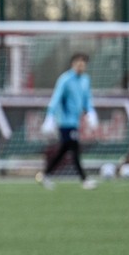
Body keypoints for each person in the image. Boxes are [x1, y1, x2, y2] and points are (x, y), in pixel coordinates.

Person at [37, 53, 98, 190]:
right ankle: (84, 179)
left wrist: (91, 112)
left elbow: (87, 99)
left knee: (64, 149)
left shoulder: (85, 80)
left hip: (75, 121)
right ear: (73, 64)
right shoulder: (65, 79)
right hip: (64, 121)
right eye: (78, 63)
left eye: (83, 63)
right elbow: (56, 98)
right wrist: (50, 117)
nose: (81, 65)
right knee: (74, 148)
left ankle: (45, 175)